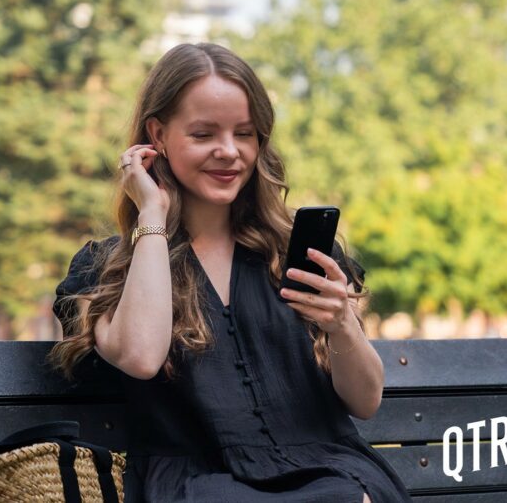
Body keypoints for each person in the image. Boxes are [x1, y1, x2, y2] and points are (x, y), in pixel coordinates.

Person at [48, 42, 411, 502]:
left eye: (244, 133)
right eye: (203, 134)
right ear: (157, 135)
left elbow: (365, 402)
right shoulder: (109, 267)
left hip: (329, 472)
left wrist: (342, 325)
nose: (229, 152)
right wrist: (152, 216)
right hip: (199, 485)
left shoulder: (294, 254)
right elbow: (141, 357)